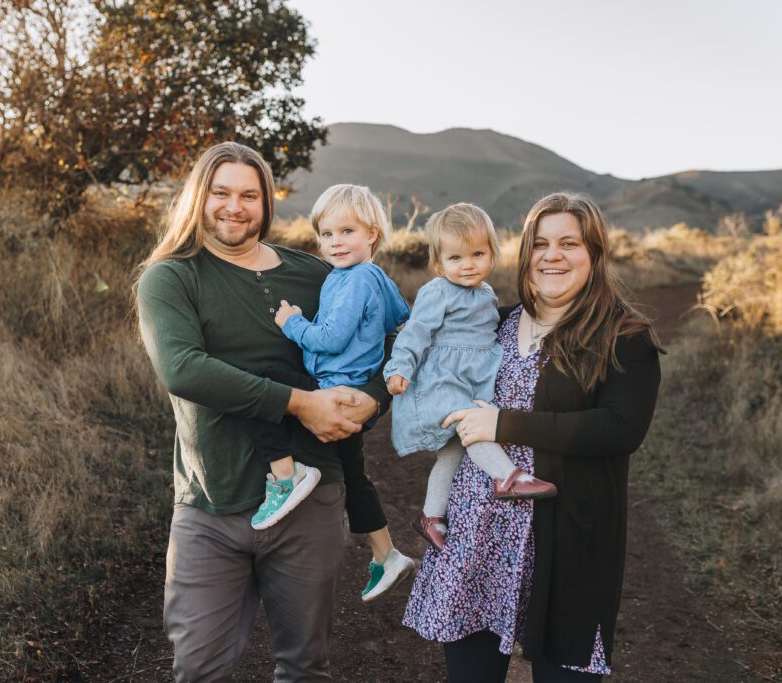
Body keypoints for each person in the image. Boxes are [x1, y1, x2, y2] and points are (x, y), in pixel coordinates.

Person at [136, 141, 390, 682]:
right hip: (212, 503)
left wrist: (371, 399)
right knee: (198, 669)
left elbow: (384, 343)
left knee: (306, 668)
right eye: (220, 192)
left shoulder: (319, 274)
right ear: (198, 198)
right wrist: (300, 404)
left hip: (313, 499)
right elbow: (183, 369)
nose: (235, 206)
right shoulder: (171, 277)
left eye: (249, 194)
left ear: (267, 202)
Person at [403, 191, 662, 682]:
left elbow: (620, 428)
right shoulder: (493, 322)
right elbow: (430, 363)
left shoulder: (623, 335)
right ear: (525, 253)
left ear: (595, 253)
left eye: (570, 243)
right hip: (476, 537)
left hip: (566, 540)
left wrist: (505, 423)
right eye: (540, 243)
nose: (552, 255)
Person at [266, 183, 415, 602]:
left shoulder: (352, 280)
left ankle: (285, 476)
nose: (335, 242)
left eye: (347, 231)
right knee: (354, 474)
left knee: (266, 388)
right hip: (351, 388)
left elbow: (329, 339)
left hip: (332, 388)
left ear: (372, 233)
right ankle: (385, 553)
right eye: (327, 234)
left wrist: (291, 323)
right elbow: (398, 321)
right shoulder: (376, 277)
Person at [382, 203, 557, 552]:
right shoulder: (438, 291)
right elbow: (415, 332)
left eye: (478, 254)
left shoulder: (487, 294)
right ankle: (507, 477)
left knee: (452, 453)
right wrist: (399, 368)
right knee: (471, 424)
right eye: (456, 258)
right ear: (438, 263)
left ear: (492, 253)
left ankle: (431, 516)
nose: (468, 264)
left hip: (471, 380)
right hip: (442, 381)